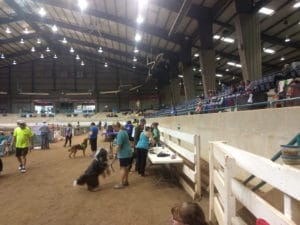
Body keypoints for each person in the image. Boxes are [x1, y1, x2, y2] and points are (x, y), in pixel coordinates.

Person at [113, 122, 132, 189]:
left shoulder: (120, 133)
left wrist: (115, 153)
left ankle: (121, 183)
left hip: (124, 154)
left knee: (122, 168)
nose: (114, 129)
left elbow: (119, 146)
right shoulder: (124, 132)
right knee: (126, 167)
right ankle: (126, 181)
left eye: (114, 128)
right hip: (128, 153)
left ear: (116, 127)